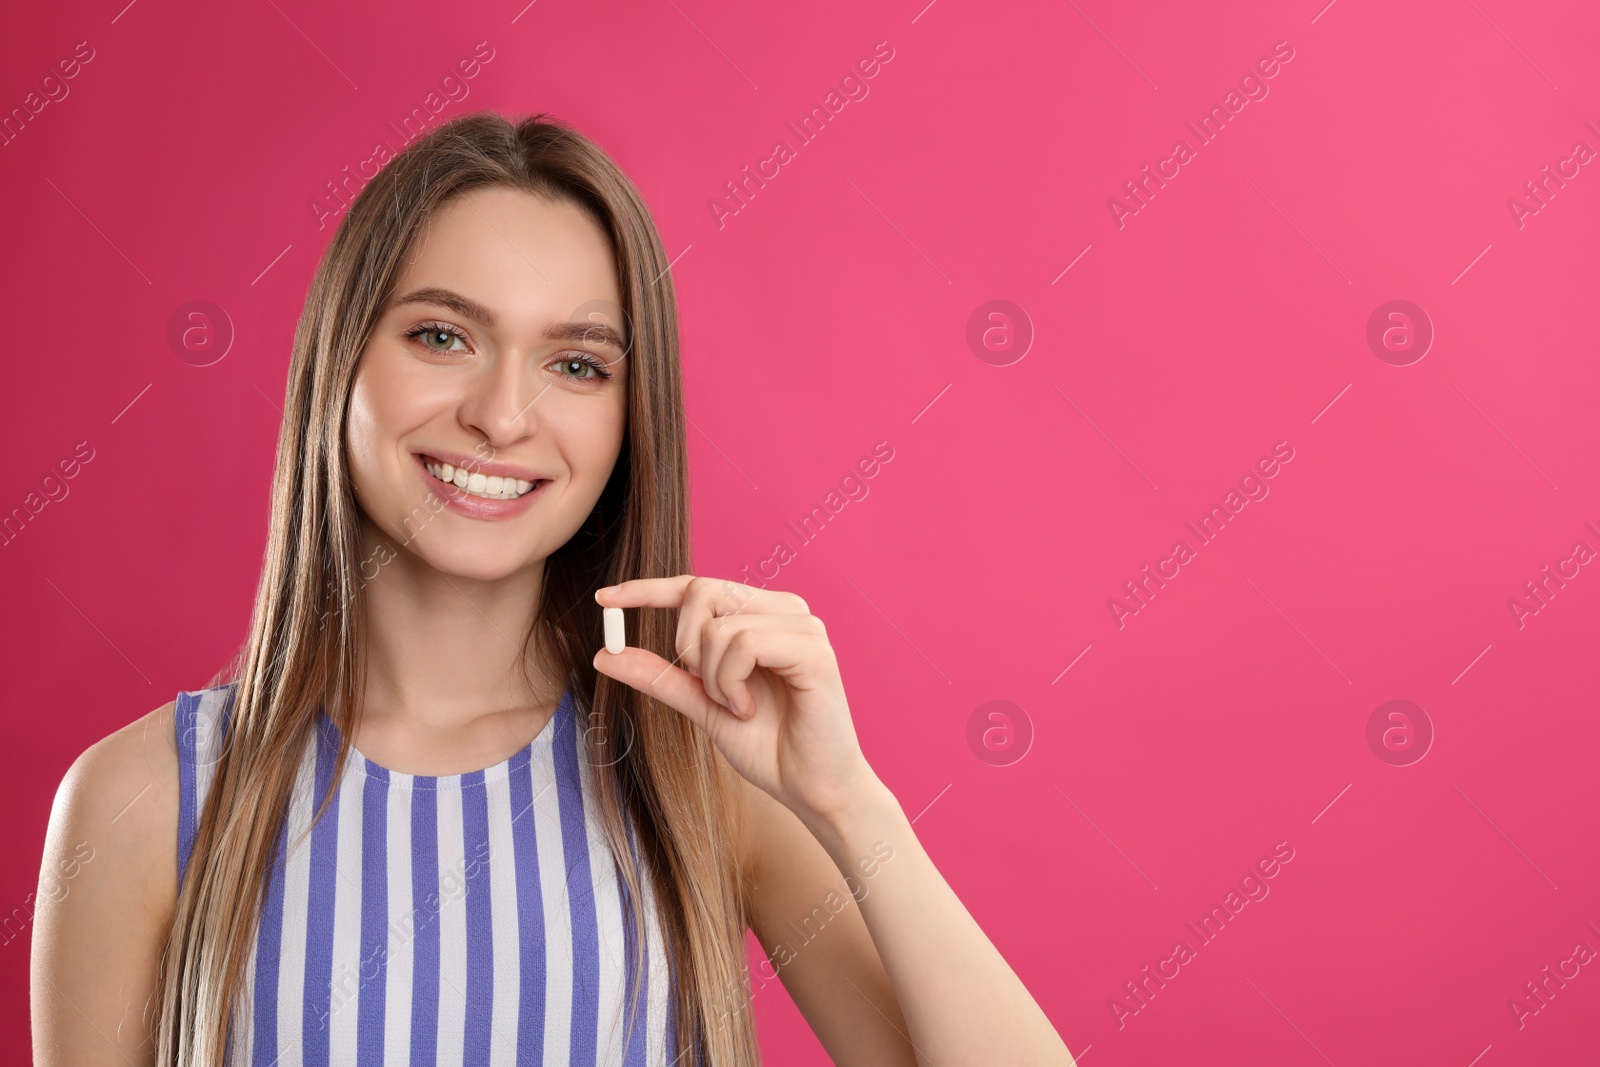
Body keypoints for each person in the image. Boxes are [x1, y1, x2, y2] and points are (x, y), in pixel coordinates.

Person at [30, 110, 1073, 1067]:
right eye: (441, 335)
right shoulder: (142, 801)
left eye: (576, 364)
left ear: (628, 424)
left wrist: (851, 803)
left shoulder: (700, 780)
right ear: (338, 363)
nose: (501, 415)